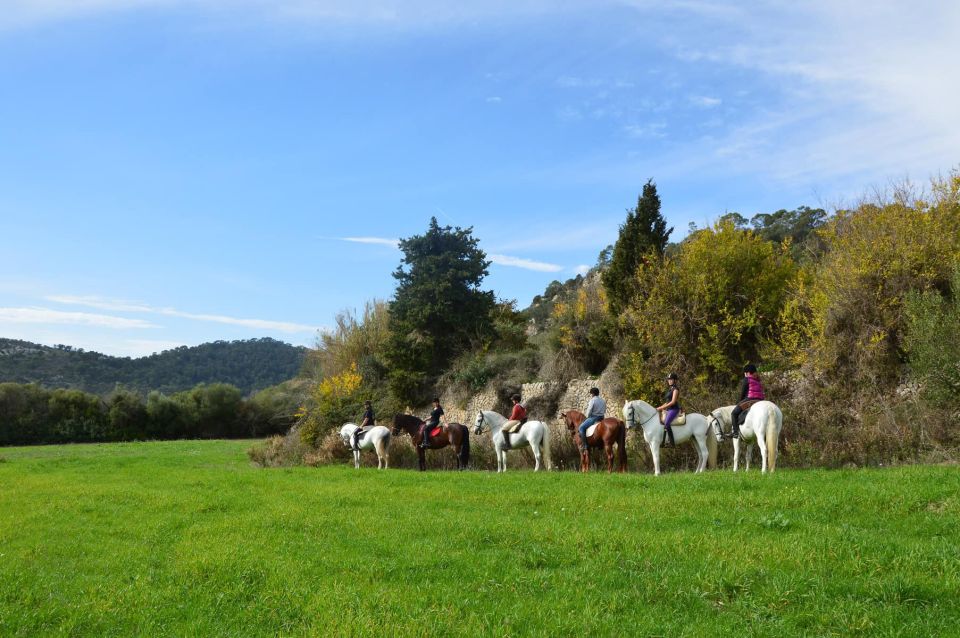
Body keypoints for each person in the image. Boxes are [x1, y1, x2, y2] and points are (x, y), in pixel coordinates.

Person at [730, 363, 765, 438]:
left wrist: (740, 401)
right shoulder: (758, 379)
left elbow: (743, 392)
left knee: (734, 413)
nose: (744, 374)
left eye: (745, 373)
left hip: (750, 398)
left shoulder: (747, 379)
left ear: (748, 373)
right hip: (760, 400)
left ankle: (735, 433)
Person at [655, 372, 681, 447]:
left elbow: (673, 402)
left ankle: (671, 443)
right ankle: (663, 440)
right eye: (668, 379)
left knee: (666, 423)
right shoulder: (670, 389)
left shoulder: (675, 390)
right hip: (669, 409)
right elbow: (667, 403)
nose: (669, 381)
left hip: (674, 409)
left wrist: (662, 408)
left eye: (671, 379)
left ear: (675, 380)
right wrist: (659, 408)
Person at [577, 387, 606, 452]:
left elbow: (589, 410)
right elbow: (604, 410)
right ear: (598, 393)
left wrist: (587, 416)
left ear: (592, 394)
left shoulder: (592, 400)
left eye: (591, 394)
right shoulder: (603, 401)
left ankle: (585, 446)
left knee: (581, 428)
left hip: (594, 418)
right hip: (602, 418)